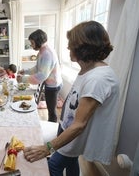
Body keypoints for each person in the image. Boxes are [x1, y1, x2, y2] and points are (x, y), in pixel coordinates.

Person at [23, 21, 120, 176]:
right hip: (68, 128)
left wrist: (46, 148)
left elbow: (79, 125)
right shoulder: (88, 70)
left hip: (75, 135)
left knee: (53, 165)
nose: (68, 47)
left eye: (71, 43)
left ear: (84, 46)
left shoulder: (98, 78)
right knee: (72, 162)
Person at [17, 29, 62, 122]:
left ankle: (52, 130)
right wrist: (25, 71)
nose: (31, 45)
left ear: (39, 41)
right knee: (50, 109)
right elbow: (37, 68)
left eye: (32, 43)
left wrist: (23, 79)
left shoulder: (47, 54)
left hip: (53, 85)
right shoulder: (42, 50)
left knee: (52, 111)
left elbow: (42, 75)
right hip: (50, 83)